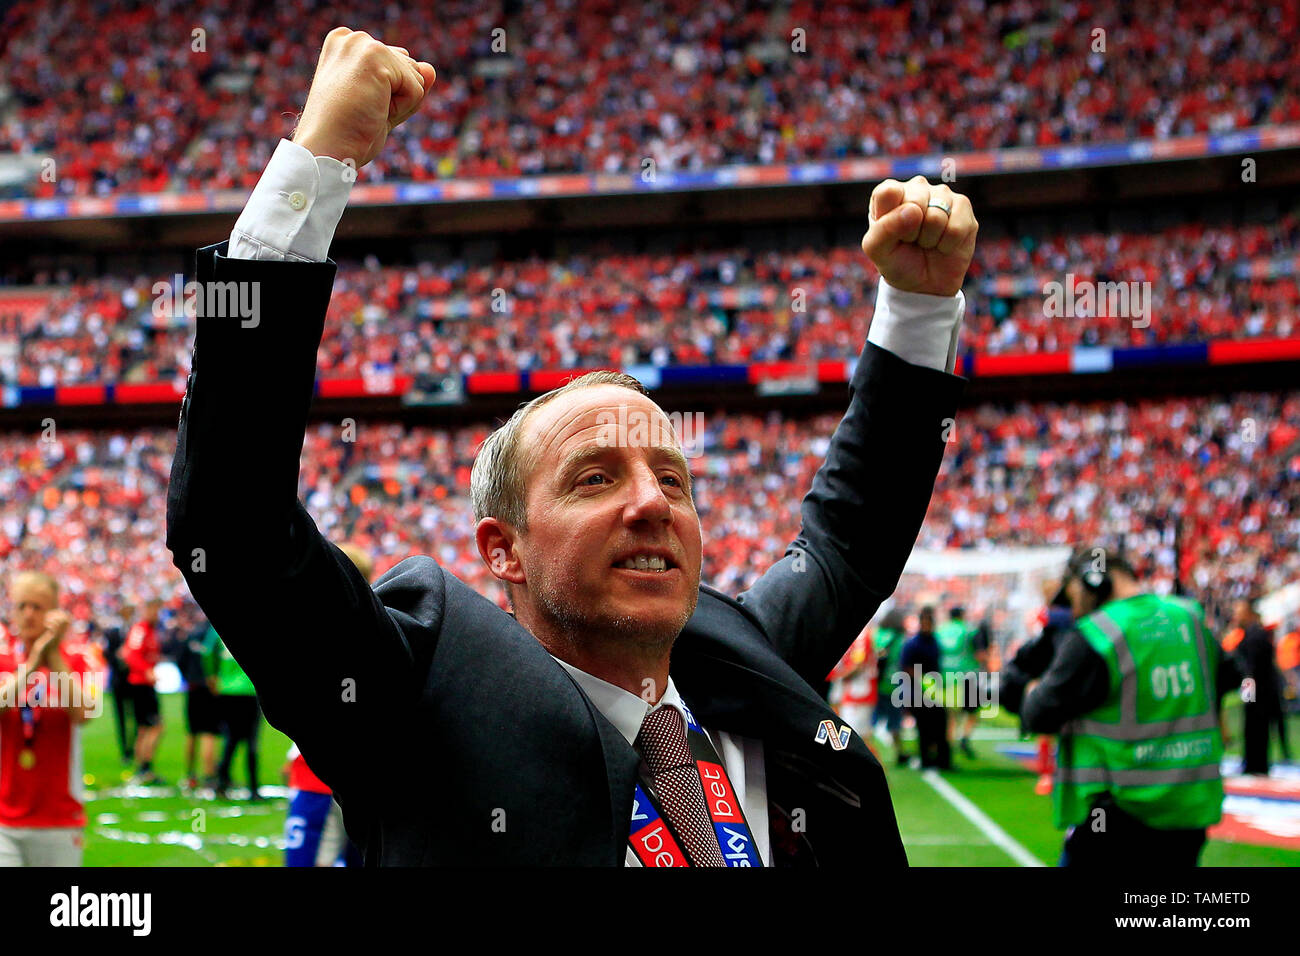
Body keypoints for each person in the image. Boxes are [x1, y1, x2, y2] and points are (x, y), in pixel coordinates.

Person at [166, 26, 976, 866]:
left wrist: (917, 312)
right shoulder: (421, 699)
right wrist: (317, 162)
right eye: (594, 479)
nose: (651, 501)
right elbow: (231, 529)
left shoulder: (737, 658)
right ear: (503, 549)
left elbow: (848, 542)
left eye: (672, 477)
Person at [1000, 549, 1241, 867]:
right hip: (1190, 808)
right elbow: (1230, 676)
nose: (1073, 608)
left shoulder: (1098, 634)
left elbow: (1037, 714)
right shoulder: (1190, 619)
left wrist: (1030, 687)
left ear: (1093, 582)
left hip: (1118, 812)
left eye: (1073, 595)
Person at [0, 572, 99, 866]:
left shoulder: (78, 660)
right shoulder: (3, 659)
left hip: (59, 817)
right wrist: (31, 665)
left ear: (55, 612)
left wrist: (52, 655)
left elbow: (83, 713)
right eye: (22, 606)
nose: (29, 614)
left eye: (38, 607)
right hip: (5, 816)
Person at [202, 626, 262, 800]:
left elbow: (206, 652)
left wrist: (212, 676)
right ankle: (253, 788)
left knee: (231, 738)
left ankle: (221, 783)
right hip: (248, 689)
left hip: (227, 688)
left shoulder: (215, 628)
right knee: (251, 740)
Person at [1229, 599, 1285, 775]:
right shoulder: (1251, 634)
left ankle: (1255, 765)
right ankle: (1254, 763)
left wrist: (1248, 697)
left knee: (1255, 728)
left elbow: (1250, 670)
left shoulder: (1254, 635)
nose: (1235, 616)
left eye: (1239, 612)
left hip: (1259, 693)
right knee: (1255, 729)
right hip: (1260, 691)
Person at [899, 607, 950, 770]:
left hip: (935, 690)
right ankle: (926, 759)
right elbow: (905, 668)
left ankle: (943, 761)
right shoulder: (912, 644)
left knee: (941, 726)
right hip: (917, 692)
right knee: (924, 728)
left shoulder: (935, 641)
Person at [122, 597, 165, 785]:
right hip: (141, 684)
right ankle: (144, 767)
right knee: (155, 727)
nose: (157, 614)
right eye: (154, 610)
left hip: (144, 684)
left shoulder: (151, 630)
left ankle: (143, 769)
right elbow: (130, 653)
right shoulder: (140, 629)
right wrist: (146, 670)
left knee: (145, 728)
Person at [175, 620, 220, 789]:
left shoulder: (192, 633)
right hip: (211, 688)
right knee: (209, 733)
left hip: (193, 688)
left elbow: (180, 660)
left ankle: (190, 775)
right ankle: (209, 776)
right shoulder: (214, 634)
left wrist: (189, 678)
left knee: (192, 733)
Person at [935, 605, 985, 758]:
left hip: (944, 676)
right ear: (962, 615)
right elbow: (980, 654)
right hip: (966, 675)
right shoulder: (969, 630)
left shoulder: (940, 630)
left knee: (950, 715)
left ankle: (948, 748)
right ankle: (964, 737)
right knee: (973, 710)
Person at [871, 608, 908, 766]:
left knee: (871, 721)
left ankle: (867, 749)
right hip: (894, 685)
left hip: (875, 684)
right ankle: (899, 752)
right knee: (895, 722)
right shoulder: (900, 639)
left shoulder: (876, 635)